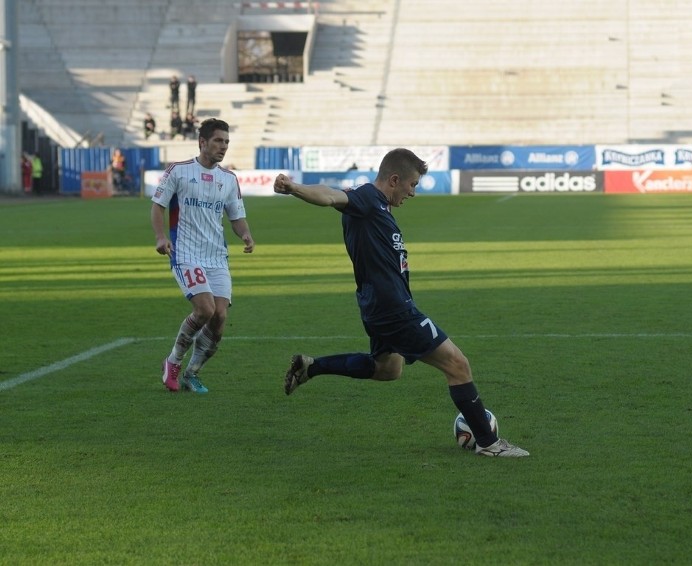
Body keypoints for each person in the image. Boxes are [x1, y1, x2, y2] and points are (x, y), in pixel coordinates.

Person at [272, 148, 529, 457]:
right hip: (393, 309)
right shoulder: (366, 199)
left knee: (387, 370)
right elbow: (330, 196)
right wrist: (295, 188)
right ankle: (490, 444)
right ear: (394, 179)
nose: (413, 192)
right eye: (412, 185)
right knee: (458, 365)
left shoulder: (380, 206)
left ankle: (311, 367)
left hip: (379, 307)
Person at [151, 118, 255, 393]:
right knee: (205, 309)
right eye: (219, 141)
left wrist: (245, 234)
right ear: (202, 142)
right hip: (185, 253)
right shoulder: (179, 171)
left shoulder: (228, 179)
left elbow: (236, 217)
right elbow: (157, 206)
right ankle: (173, 362)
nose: (223, 147)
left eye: (226, 142)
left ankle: (192, 372)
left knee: (219, 317)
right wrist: (161, 237)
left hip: (216, 257)